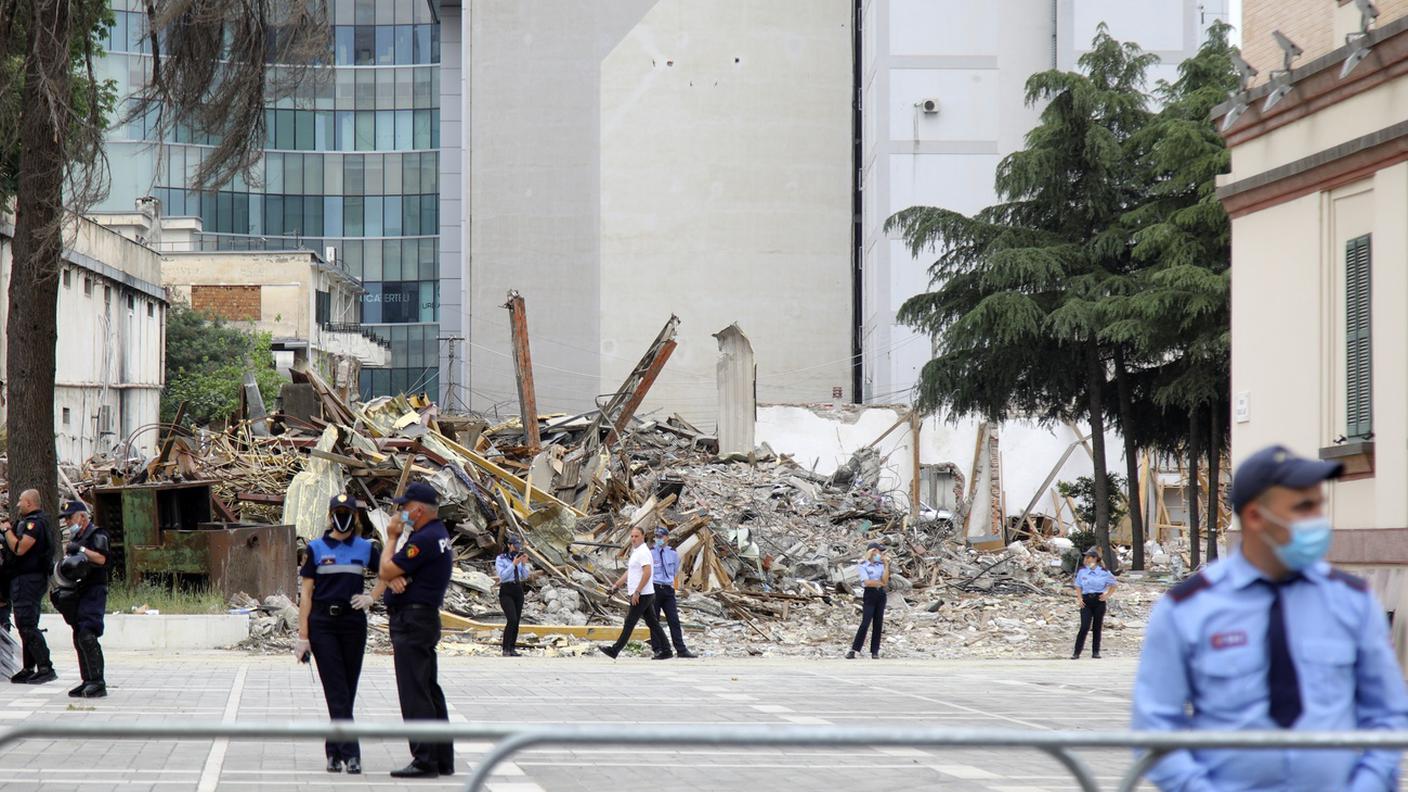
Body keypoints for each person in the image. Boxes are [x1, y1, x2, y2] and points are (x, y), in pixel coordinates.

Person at [1133, 444, 1408, 791]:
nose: (1319, 521)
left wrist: (1366, 784)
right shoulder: (1187, 609)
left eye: (1319, 507)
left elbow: (1386, 711)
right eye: (1303, 508)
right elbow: (1155, 725)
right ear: (1255, 517)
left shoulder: (1353, 600)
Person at [295, 494, 383, 774]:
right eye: (338, 511)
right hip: (323, 624)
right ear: (330, 515)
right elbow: (306, 595)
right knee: (336, 689)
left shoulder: (365, 547)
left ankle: (333, 751)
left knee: (347, 690)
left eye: (348, 512)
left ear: (356, 517)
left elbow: (388, 574)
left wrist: (372, 597)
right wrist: (303, 636)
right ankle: (351, 754)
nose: (342, 516)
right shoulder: (316, 548)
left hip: (353, 623)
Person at [378, 482, 455, 779]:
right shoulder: (437, 536)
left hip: (412, 621)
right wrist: (398, 575)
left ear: (418, 510)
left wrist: (392, 537)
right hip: (422, 619)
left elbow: (386, 571)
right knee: (428, 689)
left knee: (414, 691)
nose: (400, 513)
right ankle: (441, 757)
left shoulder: (422, 539)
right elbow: (396, 573)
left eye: (405, 508)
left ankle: (424, 759)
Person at [56, 502, 109, 697]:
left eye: (70, 517)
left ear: (83, 517)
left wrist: (82, 550)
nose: (68, 521)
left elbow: (102, 559)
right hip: (80, 589)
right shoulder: (78, 537)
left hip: (94, 589)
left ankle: (98, 682)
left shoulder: (97, 535)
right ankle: (87, 679)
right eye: (66, 519)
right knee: (78, 634)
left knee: (88, 633)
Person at [2, 489, 54, 684]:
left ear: (30, 503)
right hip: (22, 579)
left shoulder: (35, 524)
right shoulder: (29, 522)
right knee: (24, 624)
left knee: (27, 624)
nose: (18, 505)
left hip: (29, 580)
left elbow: (20, 548)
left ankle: (45, 666)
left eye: (21, 502)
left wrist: (7, 531)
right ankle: (28, 667)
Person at [598, 526, 670, 660]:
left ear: (643, 537)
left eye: (636, 536)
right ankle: (666, 650)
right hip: (644, 593)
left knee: (630, 622)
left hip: (642, 594)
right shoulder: (636, 551)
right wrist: (616, 585)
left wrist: (637, 591)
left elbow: (647, 572)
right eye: (632, 536)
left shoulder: (643, 552)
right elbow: (630, 571)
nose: (633, 539)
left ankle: (615, 650)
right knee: (653, 623)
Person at [649, 526, 696, 659]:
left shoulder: (673, 554)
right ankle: (658, 649)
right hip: (655, 588)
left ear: (667, 538)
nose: (658, 539)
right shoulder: (651, 553)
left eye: (661, 537)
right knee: (655, 620)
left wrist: (670, 584)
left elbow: (675, 571)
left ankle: (681, 649)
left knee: (674, 620)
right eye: (656, 537)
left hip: (668, 589)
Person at [1072, 547, 1117, 659]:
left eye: (1089, 557)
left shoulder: (1104, 572)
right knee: (1084, 626)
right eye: (1086, 557)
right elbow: (1078, 585)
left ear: (1095, 558)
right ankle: (1076, 652)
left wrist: (1107, 595)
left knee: (1097, 627)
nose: (1086, 559)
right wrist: (1079, 598)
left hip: (1098, 600)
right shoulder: (1082, 571)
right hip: (1086, 600)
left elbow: (1114, 584)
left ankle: (1095, 651)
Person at [847, 541, 889, 659]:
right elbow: (867, 582)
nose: (880, 554)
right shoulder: (863, 565)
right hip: (870, 594)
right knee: (865, 622)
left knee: (878, 623)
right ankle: (855, 649)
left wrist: (886, 566)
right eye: (878, 551)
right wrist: (879, 583)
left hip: (880, 594)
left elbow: (885, 582)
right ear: (872, 552)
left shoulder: (881, 565)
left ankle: (875, 651)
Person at [495, 536, 530, 657]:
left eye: (518, 547)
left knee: (517, 621)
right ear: (509, 545)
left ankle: (512, 647)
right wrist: (513, 564)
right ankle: (505, 648)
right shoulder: (501, 559)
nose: (516, 549)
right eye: (514, 546)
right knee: (512, 619)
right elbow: (503, 576)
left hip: (517, 589)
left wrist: (524, 564)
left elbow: (525, 577)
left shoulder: (518, 558)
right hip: (506, 590)